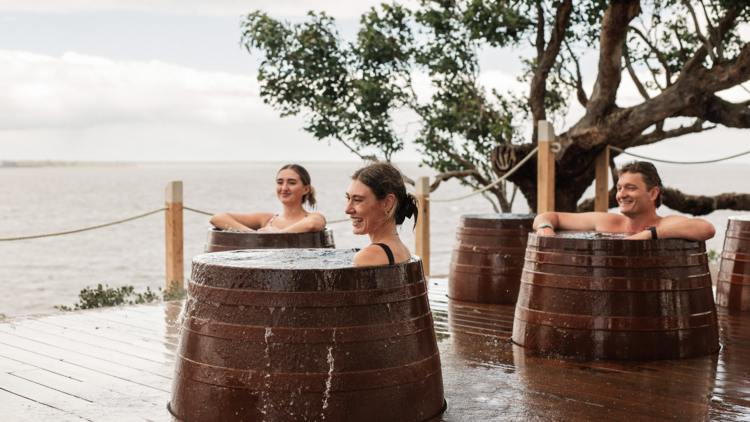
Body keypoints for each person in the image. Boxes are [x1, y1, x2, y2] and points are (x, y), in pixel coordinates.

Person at [533, 161, 716, 241]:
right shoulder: (606, 221)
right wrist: (544, 227)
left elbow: (706, 228)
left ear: (653, 194)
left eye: (631, 188)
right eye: (619, 188)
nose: (621, 195)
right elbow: (547, 216)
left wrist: (649, 234)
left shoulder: (664, 224)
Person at [209, 164, 326, 233]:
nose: (284, 188)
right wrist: (253, 234)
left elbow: (313, 224)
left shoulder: (312, 217)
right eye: (280, 182)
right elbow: (217, 219)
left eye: (291, 183)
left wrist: (278, 234)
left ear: (306, 189)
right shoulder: (266, 219)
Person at [345, 162, 420, 266]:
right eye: (348, 198)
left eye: (358, 200)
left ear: (387, 203)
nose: (347, 209)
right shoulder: (404, 251)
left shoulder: (367, 257)